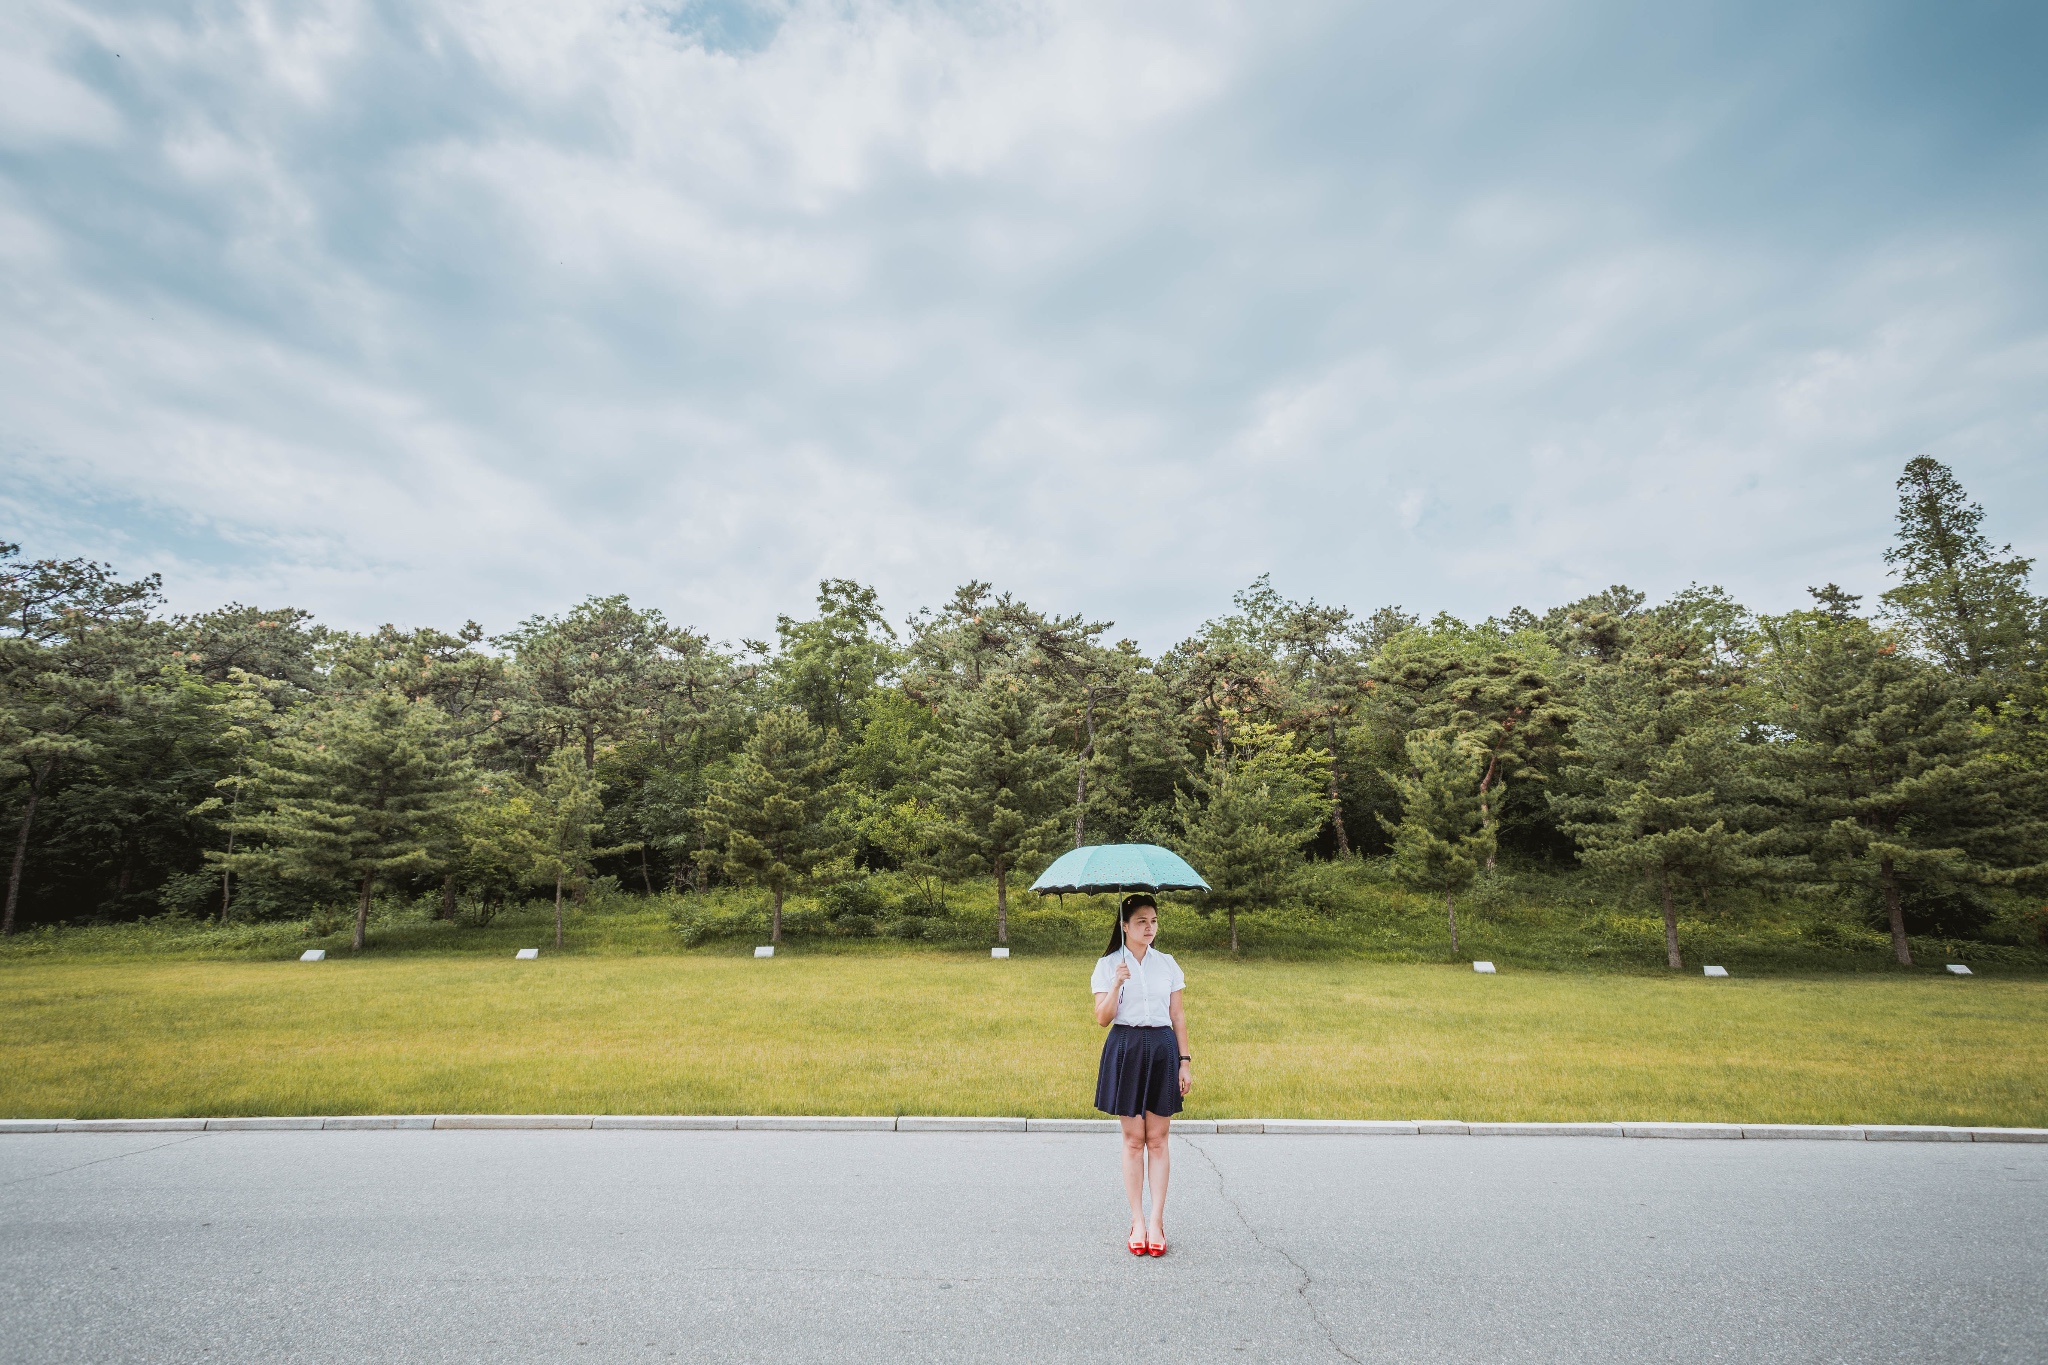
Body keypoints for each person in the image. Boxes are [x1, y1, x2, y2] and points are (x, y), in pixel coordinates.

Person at [1091, 893, 1191, 1257]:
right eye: (1141, 922)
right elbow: (1102, 1018)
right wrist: (1117, 982)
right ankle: (1136, 1220)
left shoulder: (1167, 964)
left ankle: (1157, 1221)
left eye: (1153, 921)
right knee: (1134, 1140)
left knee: (1159, 1139)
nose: (1149, 928)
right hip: (1127, 1048)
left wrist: (1185, 1060)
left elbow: (1177, 1016)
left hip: (1163, 1048)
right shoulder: (1107, 965)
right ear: (1124, 926)